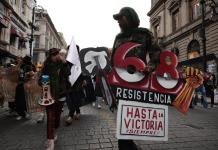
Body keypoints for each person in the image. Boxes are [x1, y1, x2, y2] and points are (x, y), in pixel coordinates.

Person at [111, 7, 161, 150]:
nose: (119, 22)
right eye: (118, 19)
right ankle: (127, 145)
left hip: (138, 83)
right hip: (120, 83)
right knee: (123, 118)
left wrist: (149, 67)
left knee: (129, 118)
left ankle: (128, 145)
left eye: (122, 18)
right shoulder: (118, 37)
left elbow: (156, 54)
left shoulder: (145, 34)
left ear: (130, 17)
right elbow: (113, 59)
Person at [39, 48, 70, 150]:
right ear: (49, 56)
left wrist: (65, 63)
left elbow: (68, 74)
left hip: (60, 95)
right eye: (53, 55)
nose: (55, 56)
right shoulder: (46, 66)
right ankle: (50, 141)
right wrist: (43, 81)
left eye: (56, 54)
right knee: (50, 118)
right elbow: (40, 81)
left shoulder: (62, 64)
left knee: (56, 118)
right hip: (49, 96)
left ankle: (55, 132)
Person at [65, 45, 86, 125]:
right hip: (68, 82)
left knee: (75, 97)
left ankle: (70, 115)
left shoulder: (80, 60)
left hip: (77, 83)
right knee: (71, 98)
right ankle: (77, 111)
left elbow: (82, 70)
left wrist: (84, 79)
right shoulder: (67, 60)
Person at [15, 55, 35, 120]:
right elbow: (16, 71)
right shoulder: (21, 66)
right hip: (20, 85)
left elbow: (33, 75)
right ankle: (21, 113)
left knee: (25, 100)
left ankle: (26, 112)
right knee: (18, 100)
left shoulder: (30, 66)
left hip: (26, 85)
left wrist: (29, 74)